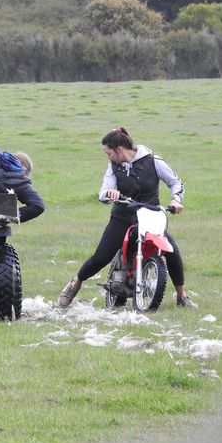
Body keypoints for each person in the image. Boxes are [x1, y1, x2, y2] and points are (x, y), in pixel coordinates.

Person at [58, 127, 197, 308]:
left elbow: (175, 182)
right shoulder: (113, 167)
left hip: (150, 215)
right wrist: (110, 193)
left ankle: (182, 297)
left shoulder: (153, 161)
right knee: (101, 257)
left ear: (118, 149)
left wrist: (176, 200)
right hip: (122, 217)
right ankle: (76, 282)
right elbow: (103, 192)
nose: (108, 157)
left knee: (172, 251)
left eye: (108, 153)